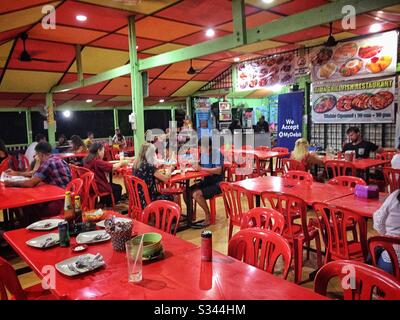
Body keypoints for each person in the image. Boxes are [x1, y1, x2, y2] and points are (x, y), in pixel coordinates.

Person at [4, 142, 72, 218]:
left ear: (41, 154)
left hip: (59, 203)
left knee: (28, 207)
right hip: (68, 200)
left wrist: (10, 183)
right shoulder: (59, 159)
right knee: (30, 205)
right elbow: (35, 173)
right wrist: (16, 173)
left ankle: (25, 225)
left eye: (37, 154)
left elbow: (30, 183)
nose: (35, 157)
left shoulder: (47, 162)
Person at [187, 137, 224, 228]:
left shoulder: (217, 154)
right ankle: (190, 215)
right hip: (206, 181)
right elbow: (199, 165)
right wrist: (193, 164)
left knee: (196, 194)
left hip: (217, 184)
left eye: (201, 147)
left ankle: (208, 216)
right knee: (186, 191)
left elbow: (219, 170)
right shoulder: (203, 155)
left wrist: (201, 168)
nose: (199, 149)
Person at [132, 142, 174, 209]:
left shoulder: (136, 164)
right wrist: (170, 170)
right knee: (171, 196)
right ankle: (171, 218)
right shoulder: (149, 166)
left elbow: (146, 178)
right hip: (149, 199)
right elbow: (166, 179)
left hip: (137, 199)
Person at [373, 189, 400, 275]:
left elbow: (378, 221)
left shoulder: (395, 195)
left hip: (390, 262)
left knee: (374, 251)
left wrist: (387, 236)